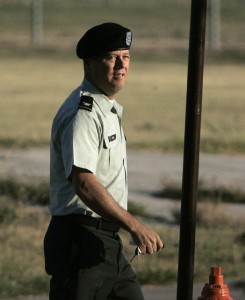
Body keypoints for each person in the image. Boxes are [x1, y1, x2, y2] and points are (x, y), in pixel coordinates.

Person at [44, 22, 164, 300]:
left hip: (106, 242)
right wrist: (135, 226)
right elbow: (84, 184)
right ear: (89, 64)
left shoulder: (105, 109)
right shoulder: (83, 113)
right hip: (81, 240)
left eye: (126, 56)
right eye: (111, 57)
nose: (121, 65)